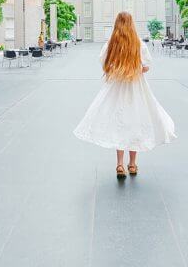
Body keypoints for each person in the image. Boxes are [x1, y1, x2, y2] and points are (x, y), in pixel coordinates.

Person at [73, 11, 176, 179]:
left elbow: (104, 63)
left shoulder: (110, 44)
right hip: (136, 88)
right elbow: (147, 66)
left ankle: (120, 164)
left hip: (116, 88)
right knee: (135, 122)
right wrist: (135, 69)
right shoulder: (138, 44)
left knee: (118, 123)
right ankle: (133, 164)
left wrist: (119, 69)